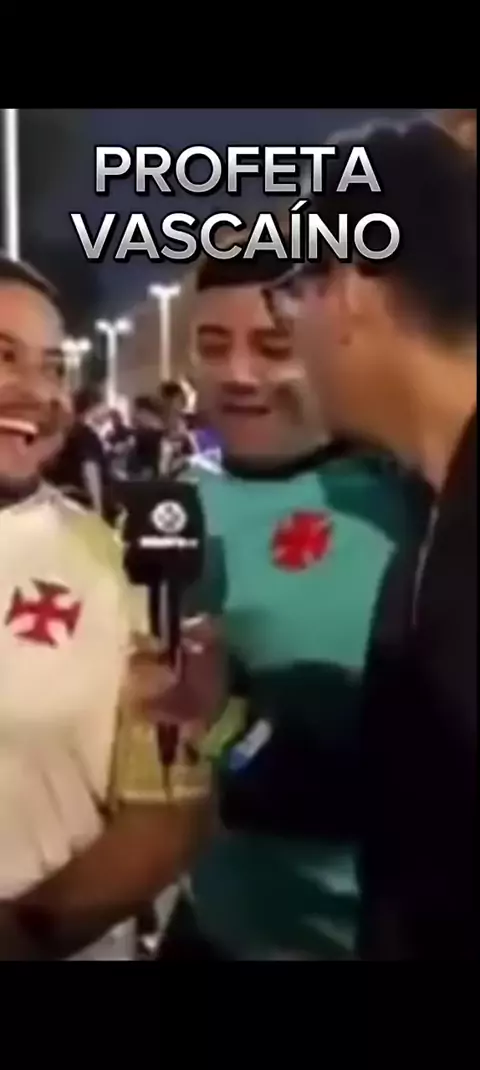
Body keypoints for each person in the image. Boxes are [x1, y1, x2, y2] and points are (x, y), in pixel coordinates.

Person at [159, 243, 424, 961]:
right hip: (216, 932)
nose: (239, 375)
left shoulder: (410, 503)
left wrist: (230, 730)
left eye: (273, 347)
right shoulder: (171, 503)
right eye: (213, 345)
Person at [272, 119, 476, 959]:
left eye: (294, 290)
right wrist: (226, 735)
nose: (289, 332)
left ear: (350, 286)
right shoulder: (425, 514)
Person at [0, 254, 221, 960]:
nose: (38, 392)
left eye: (53, 367)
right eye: (3, 357)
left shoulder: (113, 559)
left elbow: (164, 819)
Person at [46, 385, 112, 518]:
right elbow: (90, 470)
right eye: (103, 406)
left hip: (58, 499)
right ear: (93, 408)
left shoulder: (65, 432)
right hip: (81, 501)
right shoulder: (87, 435)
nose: (107, 411)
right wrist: (97, 507)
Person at [158, 380, 195, 477]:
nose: (181, 401)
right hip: (171, 443)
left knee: (166, 471)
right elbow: (170, 432)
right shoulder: (171, 412)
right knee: (165, 471)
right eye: (179, 398)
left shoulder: (172, 412)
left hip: (173, 443)